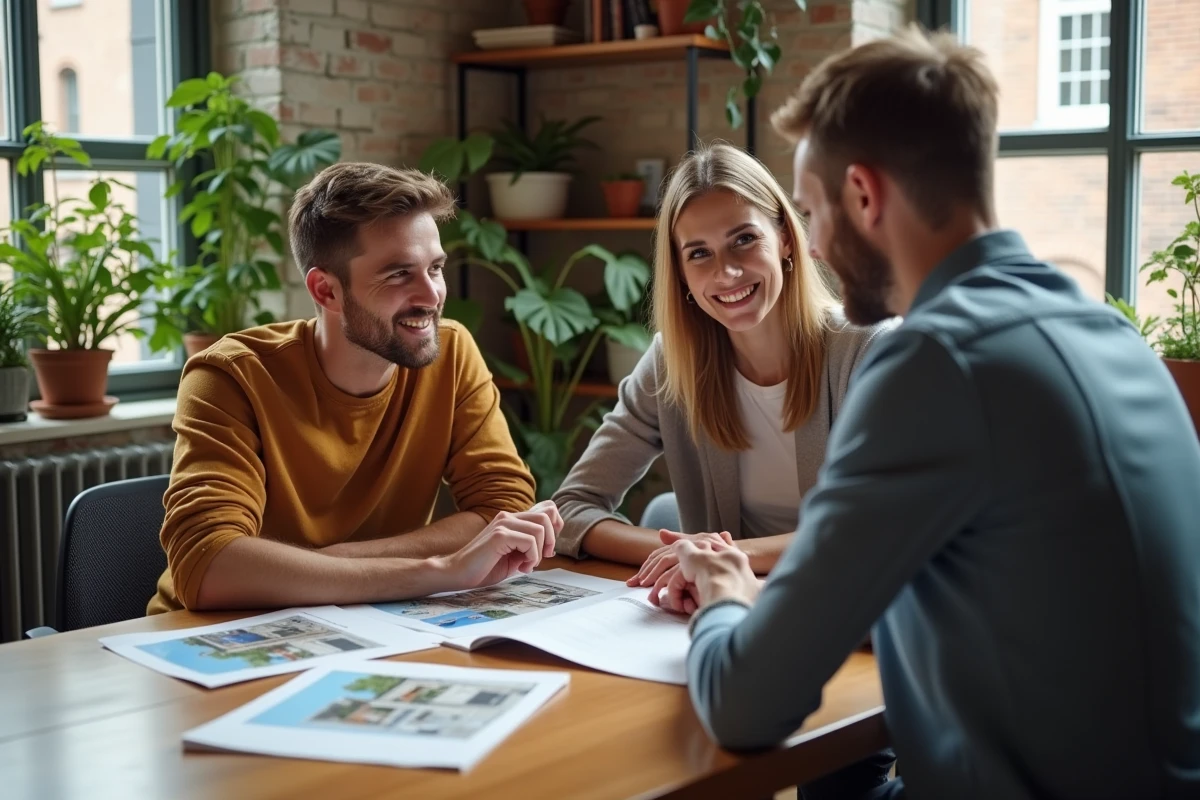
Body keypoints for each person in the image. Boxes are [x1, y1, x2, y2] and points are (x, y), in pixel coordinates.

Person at [651, 25, 1200, 800]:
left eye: (807, 213)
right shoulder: (1111, 333)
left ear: (864, 195)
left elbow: (746, 707)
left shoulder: (934, 362)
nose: (808, 245)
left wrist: (725, 599)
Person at [147, 162, 560, 615]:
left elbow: (504, 510)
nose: (431, 296)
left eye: (435, 268)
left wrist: (323, 566)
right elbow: (207, 567)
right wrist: (438, 569)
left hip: (374, 624)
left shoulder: (452, 352)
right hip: (216, 635)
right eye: (399, 274)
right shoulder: (230, 376)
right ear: (326, 291)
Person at [552, 143, 896, 587]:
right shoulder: (672, 363)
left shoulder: (868, 350)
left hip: (851, 613)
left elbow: (876, 527)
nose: (726, 272)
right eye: (699, 253)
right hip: (725, 609)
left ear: (786, 239)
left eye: (744, 240)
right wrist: (683, 554)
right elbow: (571, 509)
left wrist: (723, 555)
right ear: (680, 273)